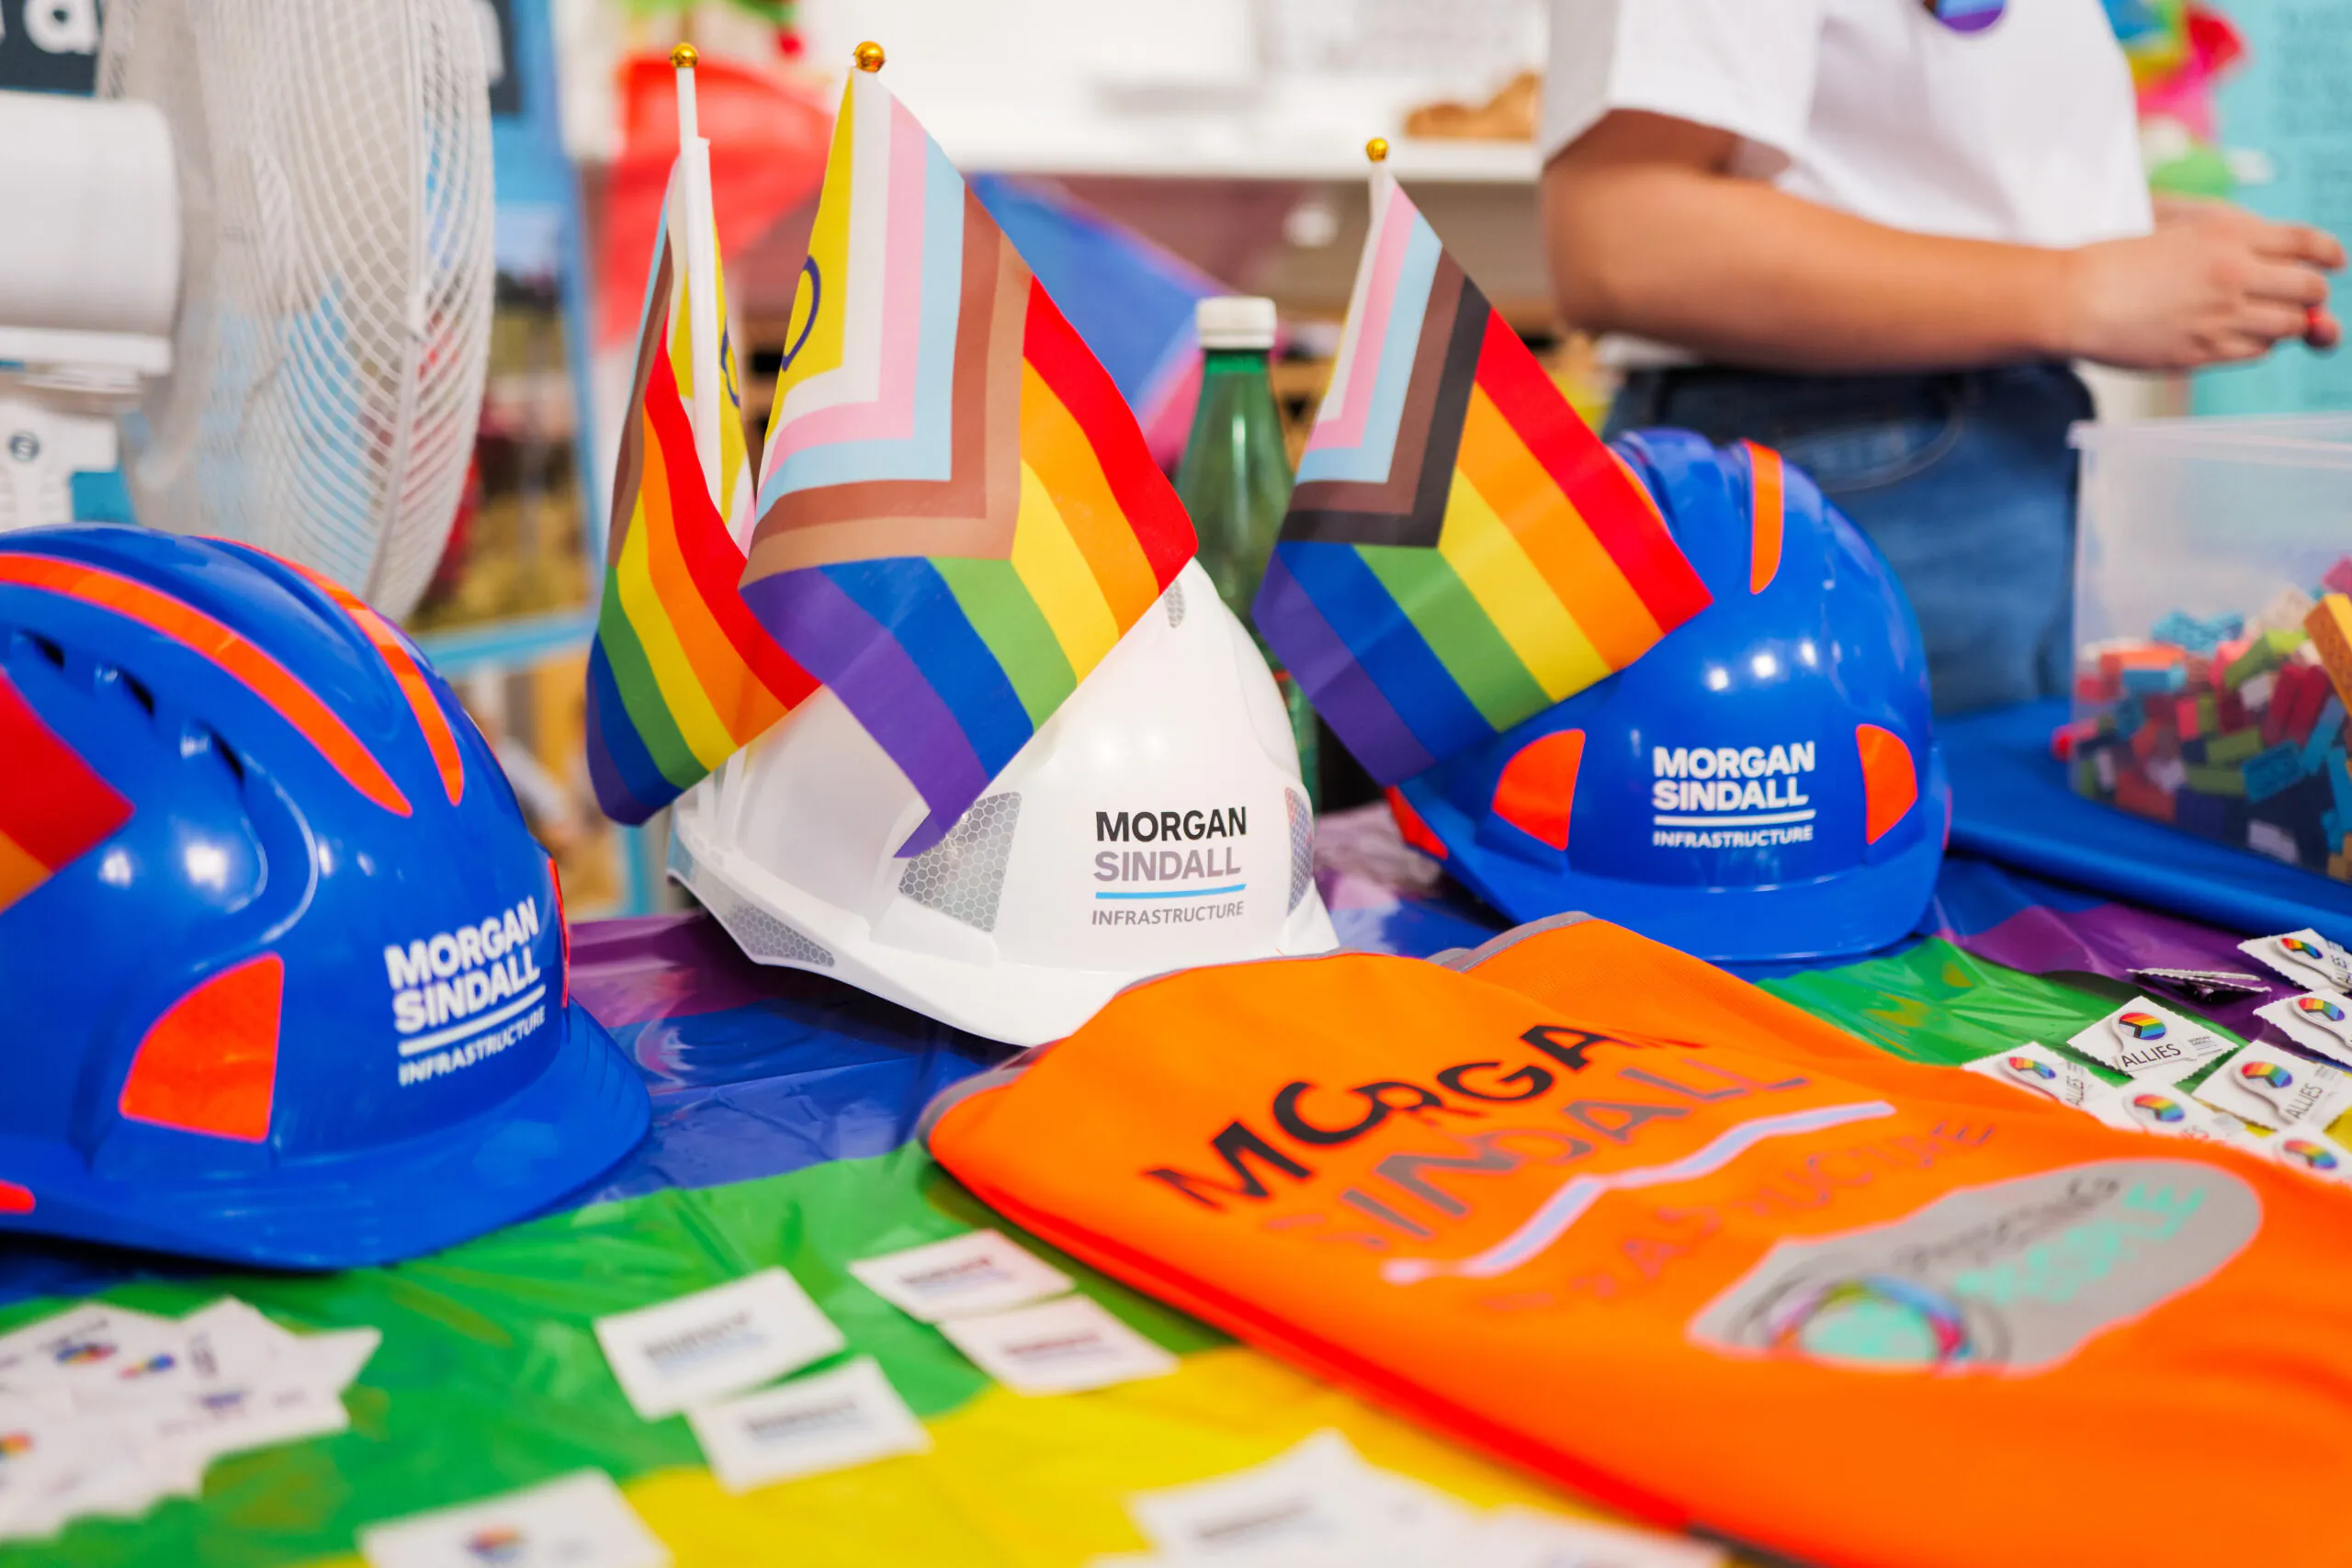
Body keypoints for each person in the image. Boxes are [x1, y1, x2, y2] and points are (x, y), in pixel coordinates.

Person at [1539, 0, 2345, 713]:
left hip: (1992, 455)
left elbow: (1898, 178)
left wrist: (2133, 243)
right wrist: (2081, 288)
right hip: (1840, 466)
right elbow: (1622, 239)